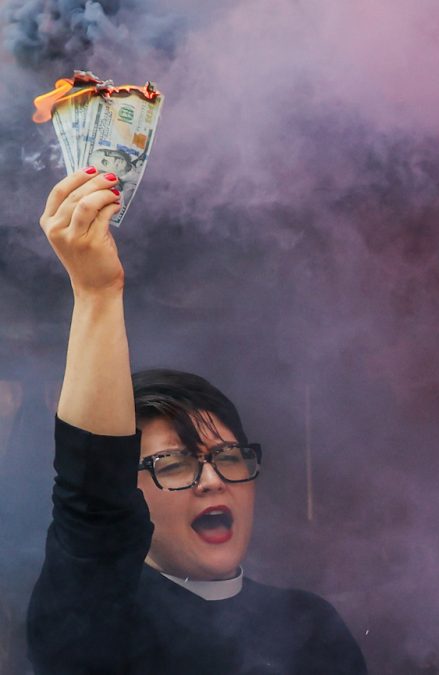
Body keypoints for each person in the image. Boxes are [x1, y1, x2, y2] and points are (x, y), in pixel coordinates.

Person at [26, 167, 368, 674]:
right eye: (174, 464)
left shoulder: (309, 624)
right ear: (127, 494)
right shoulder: (103, 616)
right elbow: (92, 510)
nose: (212, 481)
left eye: (228, 457)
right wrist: (97, 294)